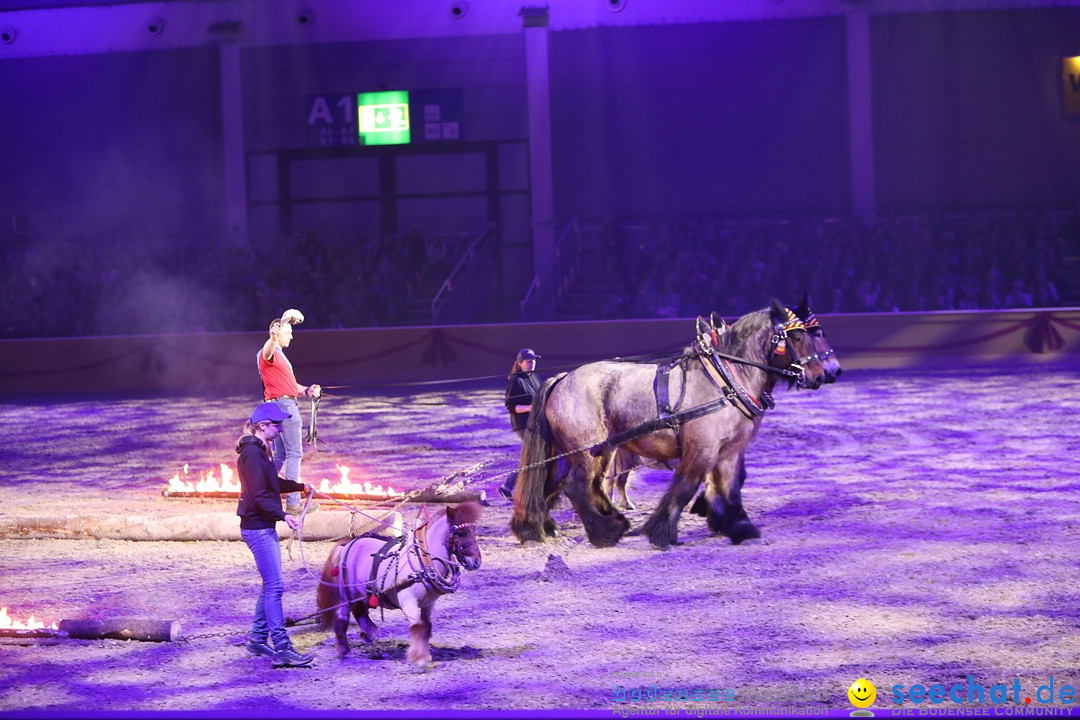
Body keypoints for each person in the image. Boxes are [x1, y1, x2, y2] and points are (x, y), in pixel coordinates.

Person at [237, 402, 317, 668]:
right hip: (257, 528)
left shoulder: (261, 451)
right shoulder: (252, 455)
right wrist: (284, 516)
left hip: (262, 525)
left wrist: (300, 486)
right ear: (263, 426)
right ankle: (282, 648)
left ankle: (258, 639)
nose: (281, 428)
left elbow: (272, 483)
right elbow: (260, 496)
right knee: (275, 587)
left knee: (269, 584)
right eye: (277, 424)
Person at [257, 309, 321, 515]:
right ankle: (293, 502)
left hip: (275, 406)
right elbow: (267, 351)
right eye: (288, 332)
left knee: (281, 455)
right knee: (294, 453)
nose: (292, 336)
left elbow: (289, 386)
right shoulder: (271, 351)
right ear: (276, 332)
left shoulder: (280, 357)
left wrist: (306, 390)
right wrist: (274, 337)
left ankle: (263, 493)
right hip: (284, 407)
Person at [498, 348, 542, 500]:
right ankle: (508, 486)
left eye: (534, 360)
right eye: (529, 361)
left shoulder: (535, 378)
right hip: (523, 425)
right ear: (520, 363)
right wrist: (531, 407)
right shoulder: (516, 380)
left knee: (536, 456)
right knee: (533, 457)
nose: (532, 363)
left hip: (536, 423)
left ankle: (515, 487)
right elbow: (511, 406)